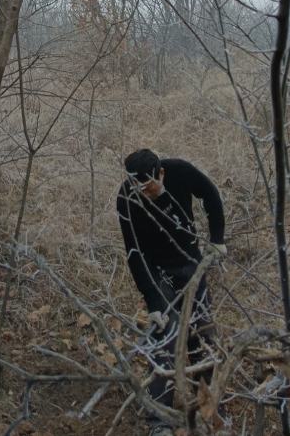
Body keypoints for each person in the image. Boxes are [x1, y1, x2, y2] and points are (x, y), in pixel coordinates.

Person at [117, 148, 226, 435]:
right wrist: (153, 300)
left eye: (148, 186)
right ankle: (159, 422)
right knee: (164, 335)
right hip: (157, 270)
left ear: (160, 174)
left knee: (202, 334)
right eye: (137, 187)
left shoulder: (180, 171)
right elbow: (134, 252)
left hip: (189, 262)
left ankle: (211, 410)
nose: (143, 192)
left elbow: (211, 195)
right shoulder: (126, 197)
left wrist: (217, 240)